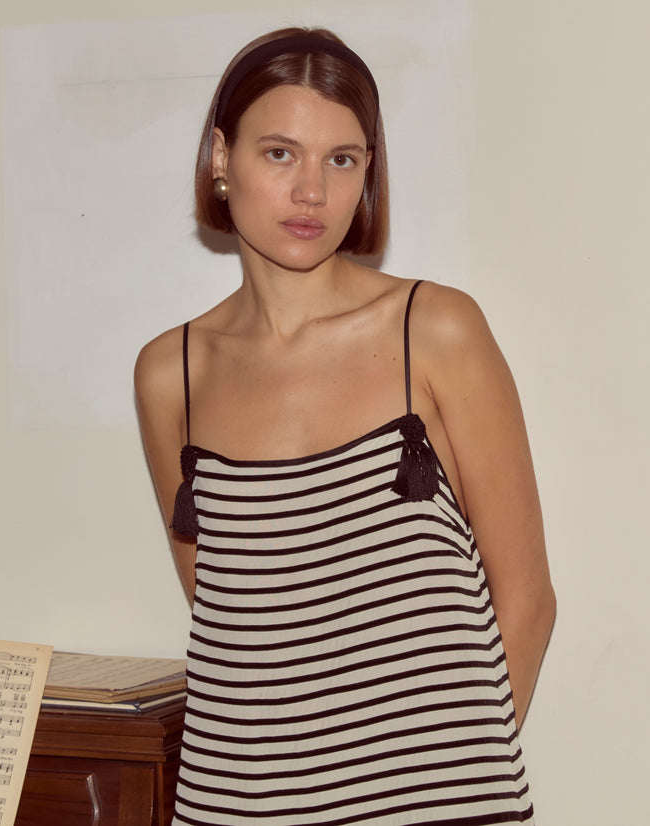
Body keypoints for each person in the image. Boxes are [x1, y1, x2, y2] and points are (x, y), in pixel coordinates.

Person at [135, 26, 556, 826]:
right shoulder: (169, 374)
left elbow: (528, 598)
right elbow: (227, 605)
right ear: (221, 158)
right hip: (235, 806)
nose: (311, 195)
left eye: (342, 159)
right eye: (280, 153)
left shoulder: (435, 330)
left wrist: (456, 785)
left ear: (368, 172)